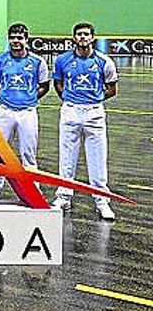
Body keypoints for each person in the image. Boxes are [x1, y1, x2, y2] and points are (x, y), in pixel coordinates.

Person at [50, 23, 118, 220]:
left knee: (97, 157)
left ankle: (102, 201)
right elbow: (58, 84)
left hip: (94, 113)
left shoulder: (105, 62)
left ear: (92, 38)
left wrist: (93, 100)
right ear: (73, 38)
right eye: (79, 34)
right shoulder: (62, 60)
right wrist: (72, 100)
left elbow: (112, 89)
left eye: (86, 34)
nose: (82, 37)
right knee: (66, 156)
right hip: (70, 111)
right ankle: (63, 197)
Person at [0, 23, 50, 203]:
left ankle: (33, 190)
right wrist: (6, 97)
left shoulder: (37, 62)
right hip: (4, 112)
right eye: (12, 38)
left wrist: (30, 98)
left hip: (28, 112)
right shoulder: (0, 60)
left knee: (28, 153)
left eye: (19, 38)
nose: (15, 41)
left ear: (26, 40)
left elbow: (44, 86)